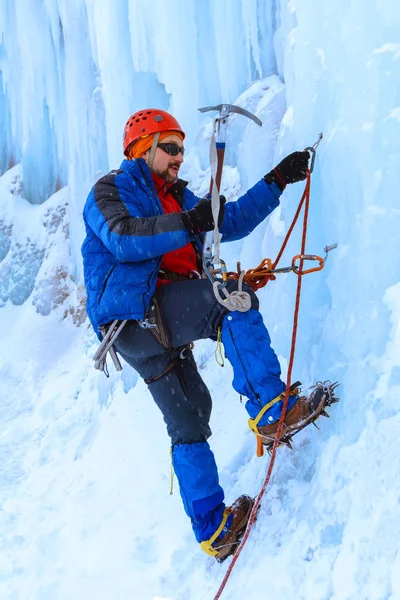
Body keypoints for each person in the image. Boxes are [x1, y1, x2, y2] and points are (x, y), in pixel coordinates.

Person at [81, 109, 336, 562]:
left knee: (190, 416)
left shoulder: (177, 197)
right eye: (171, 147)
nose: (180, 157)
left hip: (149, 325)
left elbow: (228, 220)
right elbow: (123, 238)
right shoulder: (111, 191)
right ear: (143, 147)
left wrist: (277, 179)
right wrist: (189, 222)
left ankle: (214, 528)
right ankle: (271, 407)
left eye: (182, 148)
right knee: (231, 299)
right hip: (137, 315)